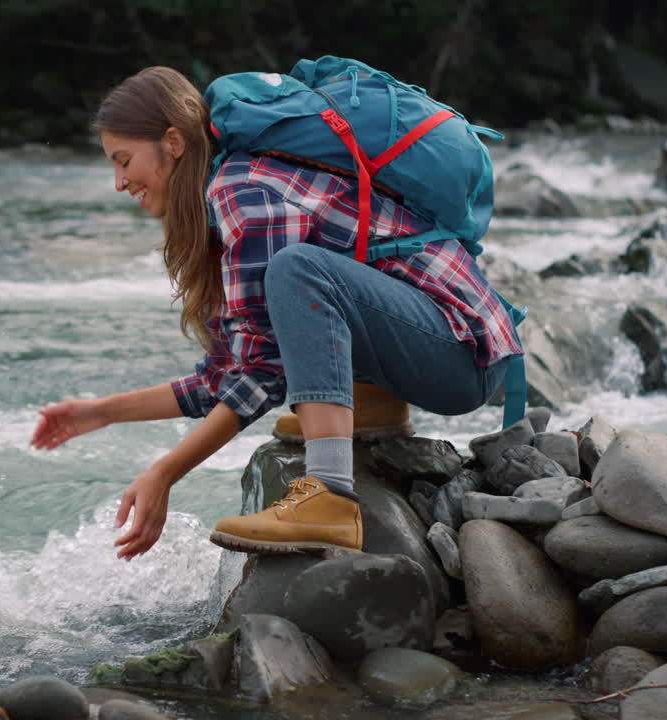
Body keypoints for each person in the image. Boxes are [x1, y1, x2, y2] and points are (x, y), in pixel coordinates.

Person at [29, 66, 522, 561]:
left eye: (124, 160)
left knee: (299, 271)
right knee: (298, 282)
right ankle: (371, 410)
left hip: (461, 353)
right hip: (434, 340)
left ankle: (328, 493)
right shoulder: (228, 192)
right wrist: (101, 412)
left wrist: (165, 472)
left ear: (173, 142)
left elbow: (263, 377)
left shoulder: (243, 190)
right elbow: (227, 374)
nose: (119, 182)